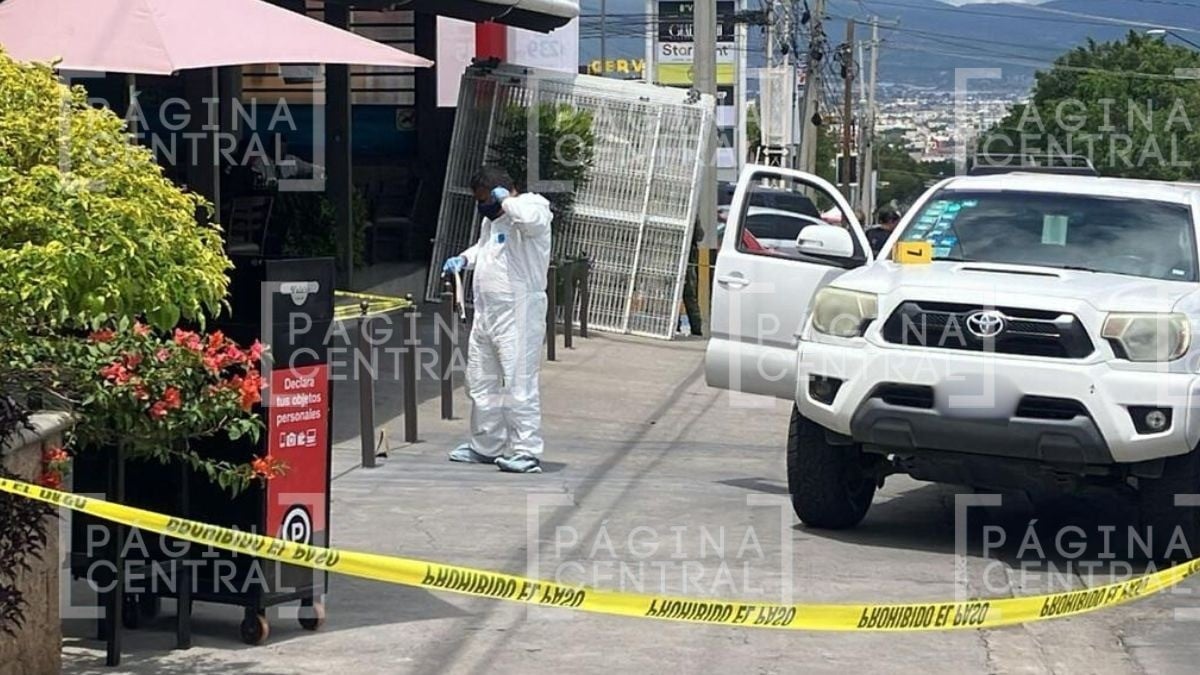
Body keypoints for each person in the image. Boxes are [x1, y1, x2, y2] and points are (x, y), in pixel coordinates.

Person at [442, 167, 553, 474]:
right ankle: (485, 445)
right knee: (481, 380)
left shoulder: (533, 206)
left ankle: (526, 450)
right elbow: (485, 249)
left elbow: (531, 222)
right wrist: (464, 259)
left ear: (500, 193)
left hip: (519, 310)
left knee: (519, 382)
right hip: (487, 311)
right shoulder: (491, 221)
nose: (482, 206)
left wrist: (506, 201)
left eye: (484, 199)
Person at [678, 219, 704, 336]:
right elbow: (699, 236)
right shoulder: (692, 214)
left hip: (672, 260)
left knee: (672, 296)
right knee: (689, 297)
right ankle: (696, 329)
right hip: (688, 260)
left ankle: (674, 325)